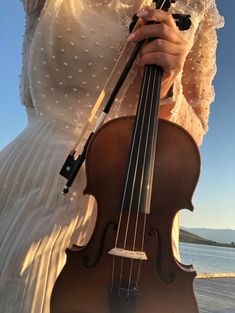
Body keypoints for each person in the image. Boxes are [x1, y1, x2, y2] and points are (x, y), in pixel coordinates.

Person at [0, 0, 223, 312]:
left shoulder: (197, 4)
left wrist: (168, 87)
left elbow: (193, 133)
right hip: (42, 182)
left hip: (138, 207)